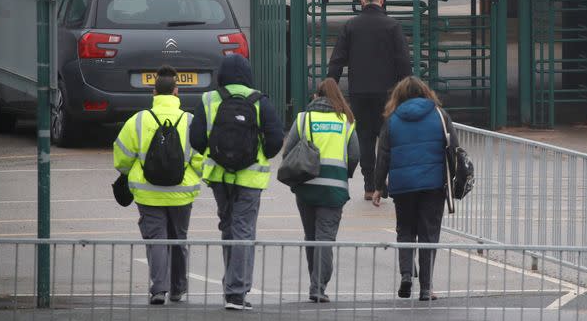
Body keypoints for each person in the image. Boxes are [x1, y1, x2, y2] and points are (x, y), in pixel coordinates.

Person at [189, 54, 284, 310]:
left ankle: (231, 286)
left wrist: (217, 152)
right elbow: (276, 139)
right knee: (244, 231)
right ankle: (237, 292)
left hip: (219, 178)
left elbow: (196, 139)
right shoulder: (259, 101)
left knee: (229, 228)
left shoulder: (209, 99)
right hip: (250, 178)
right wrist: (260, 152)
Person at [113, 65, 203, 305]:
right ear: (176, 92)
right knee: (178, 239)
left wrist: (131, 171)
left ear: (153, 93)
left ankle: (158, 290)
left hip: (147, 194)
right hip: (181, 195)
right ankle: (178, 289)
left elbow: (121, 158)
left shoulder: (138, 121)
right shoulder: (190, 121)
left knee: (156, 240)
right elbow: (201, 160)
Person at [372, 76, 458, 302]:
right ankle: (426, 288)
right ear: (425, 92)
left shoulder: (392, 120)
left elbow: (383, 155)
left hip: (403, 186)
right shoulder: (440, 115)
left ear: (398, 96)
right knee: (429, 235)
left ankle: (407, 275)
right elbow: (454, 148)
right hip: (433, 185)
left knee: (405, 230)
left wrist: (378, 186)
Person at [327, 0, 412, 200]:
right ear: (381, 0)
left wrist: (330, 88)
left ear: (362, 1)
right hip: (388, 93)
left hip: (359, 92)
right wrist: (407, 91)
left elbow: (337, 61)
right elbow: (403, 62)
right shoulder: (393, 26)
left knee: (364, 138)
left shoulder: (351, 26)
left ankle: (369, 185)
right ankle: (382, 184)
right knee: (387, 137)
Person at [281, 78, 360, 303]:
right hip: (334, 188)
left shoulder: (304, 119)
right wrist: (344, 173)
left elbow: (288, 151)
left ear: (316, 96)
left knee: (312, 237)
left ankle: (314, 280)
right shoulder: (345, 121)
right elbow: (354, 154)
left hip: (306, 186)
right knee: (325, 238)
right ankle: (318, 286)